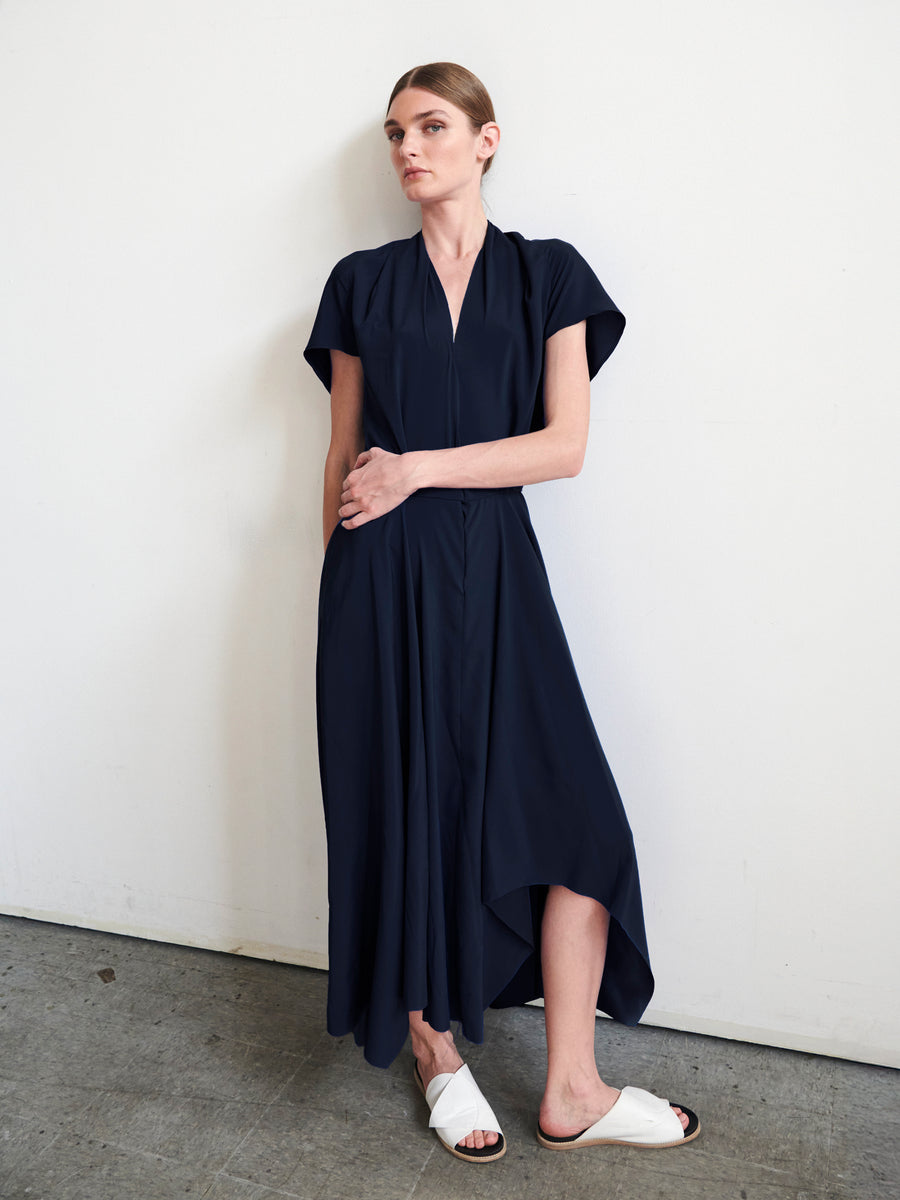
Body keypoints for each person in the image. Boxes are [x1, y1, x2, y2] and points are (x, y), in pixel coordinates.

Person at [304, 62, 700, 1164]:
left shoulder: (547, 275)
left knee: (580, 821)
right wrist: (331, 599)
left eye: (431, 126)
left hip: (498, 578)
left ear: (485, 140)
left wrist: (418, 467)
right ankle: (438, 1055)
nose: (407, 149)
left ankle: (571, 1085)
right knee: (407, 818)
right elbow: (341, 457)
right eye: (393, 134)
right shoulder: (359, 283)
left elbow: (562, 446)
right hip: (377, 586)